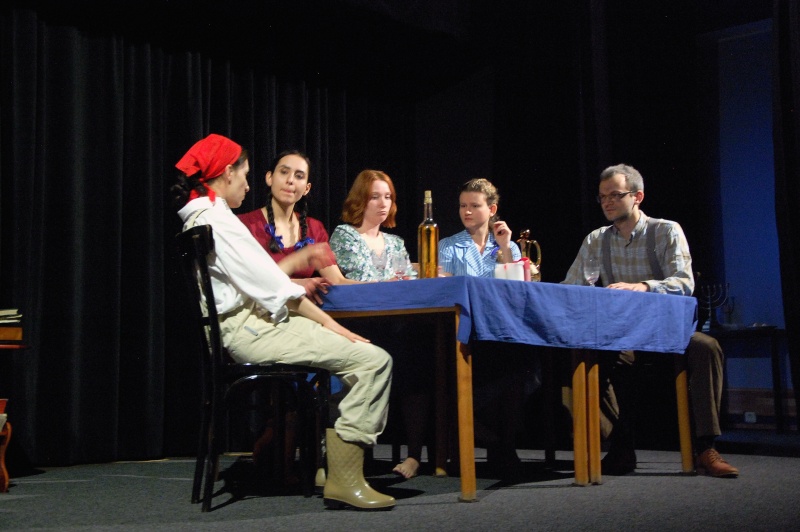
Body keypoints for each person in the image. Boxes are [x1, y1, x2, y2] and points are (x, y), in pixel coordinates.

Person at [171, 133, 396, 510]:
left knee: (357, 362)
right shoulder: (219, 220)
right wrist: (334, 326)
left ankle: (334, 470)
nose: (246, 185)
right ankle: (345, 479)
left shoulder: (205, 215)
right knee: (373, 361)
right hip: (251, 328)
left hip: (252, 324)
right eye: (245, 175)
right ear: (227, 173)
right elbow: (275, 287)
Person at [562, 163, 738, 478]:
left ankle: (705, 447)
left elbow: (684, 282)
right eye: (603, 197)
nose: (607, 202)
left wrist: (643, 287)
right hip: (622, 333)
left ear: (637, 196)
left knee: (707, 347)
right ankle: (619, 444)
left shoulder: (665, 230)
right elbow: (573, 287)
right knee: (586, 355)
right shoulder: (596, 240)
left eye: (615, 195)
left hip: (664, 330)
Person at [329, 170, 427, 480]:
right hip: (360, 326)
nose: (383, 203)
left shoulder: (396, 242)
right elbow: (363, 280)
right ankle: (356, 452)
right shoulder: (344, 235)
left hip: (395, 324)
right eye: (375, 197)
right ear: (361, 200)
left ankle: (415, 455)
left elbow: (406, 282)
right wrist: (398, 280)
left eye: (388, 197)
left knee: (416, 358)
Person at [438, 178, 535, 481]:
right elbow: (443, 286)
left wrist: (505, 248)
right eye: (462, 205)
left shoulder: (507, 246)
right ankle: (495, 442)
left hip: (498, 328)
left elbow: (517, 289)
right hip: (462, 328)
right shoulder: (449, 245)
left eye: (474, 206)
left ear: (492, 209)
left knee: (519, 360)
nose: (466, 211)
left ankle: (503, 443)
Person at [238, 150, 357, 305]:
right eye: (284, 172)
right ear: (269, 178)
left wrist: (382, 286)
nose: (290, 180)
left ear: (307, 188)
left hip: (305, 311)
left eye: (299, 176)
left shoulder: (314, 228)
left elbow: (337, 281)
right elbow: (247, 282)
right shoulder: (245, 225)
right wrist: (295, 284)